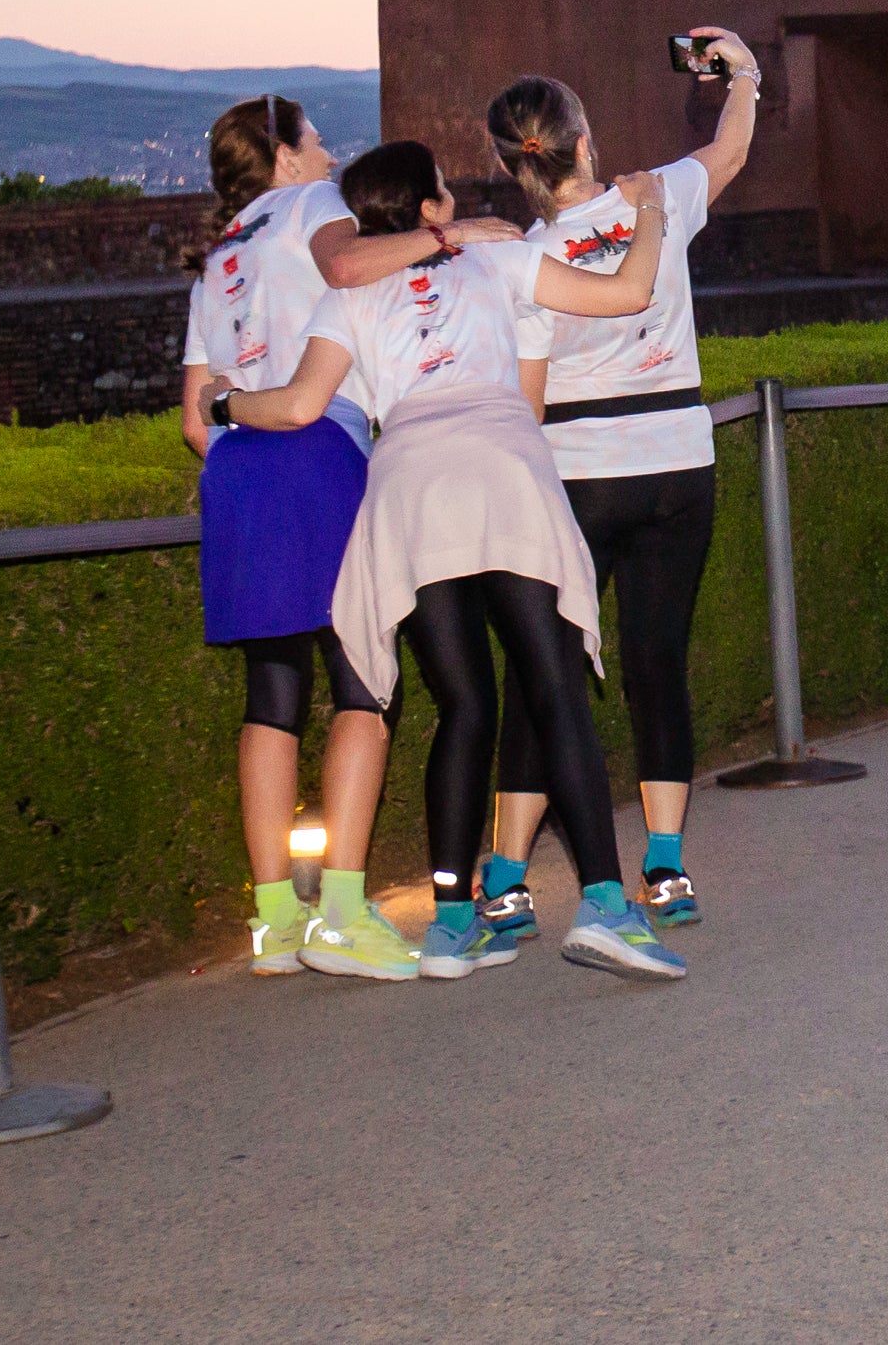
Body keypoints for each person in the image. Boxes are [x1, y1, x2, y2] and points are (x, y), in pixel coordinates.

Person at [228, 138, 690, 982]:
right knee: (553, 684)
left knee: (464, 704)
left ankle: (449, 923)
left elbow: (296, 404)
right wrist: (651, 207)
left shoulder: (355, 294)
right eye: (444, 189)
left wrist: (224, 401)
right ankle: (605, 905)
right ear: (432, 209)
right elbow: (629, 290)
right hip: (502, 472)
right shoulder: (496, 259)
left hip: (411, 491)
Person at [464, 30, 762, 950]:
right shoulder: (658, 196)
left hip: (579, 476)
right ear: (585, 140)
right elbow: (735, 145)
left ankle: (508, 877)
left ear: (515, 166)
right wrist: (742, 73)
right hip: (678, 456)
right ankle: (666, 863)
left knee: (545, 673)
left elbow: (529, 396)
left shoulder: (524, 259)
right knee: (656, 659)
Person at [178, 96, 418, 983]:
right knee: (365, 683)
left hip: (240, 466)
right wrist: (445, 237)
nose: (325, 153)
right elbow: (351, 266)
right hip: (319, 450)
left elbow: (197, 417)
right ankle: (345, 913)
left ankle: (276, 917)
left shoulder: (218, 257)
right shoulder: (316, 206)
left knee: (271, 691)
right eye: (313, 140)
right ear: (282, 156)